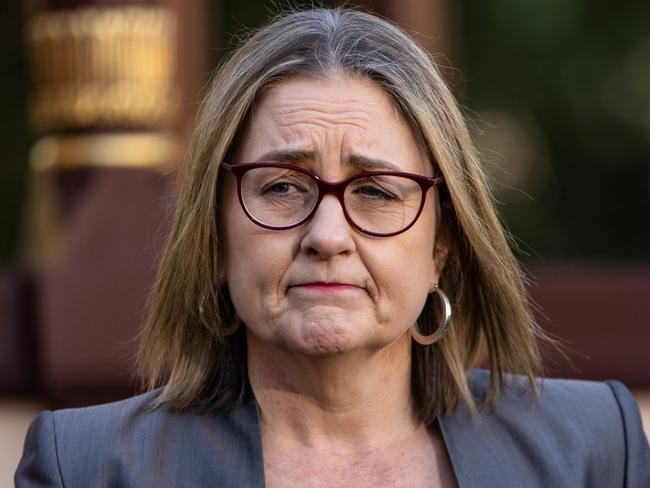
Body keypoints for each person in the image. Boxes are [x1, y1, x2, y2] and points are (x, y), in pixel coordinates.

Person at [15, 8, 649, 487]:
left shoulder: (592, 448)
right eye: (284, 187)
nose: (326, 236)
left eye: (376, 191)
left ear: (442, 246)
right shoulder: (91, 466)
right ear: (213, 236)